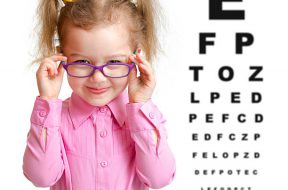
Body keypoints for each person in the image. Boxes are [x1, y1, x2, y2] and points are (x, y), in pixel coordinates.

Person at [22, 0, 176, 189]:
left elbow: (159, 179)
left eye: (114, 61)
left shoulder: (142, 118)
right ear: (61, 56)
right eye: (83, 61)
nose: (98, 77)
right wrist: (47, 100)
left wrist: (140, 105)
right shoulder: (54, 119)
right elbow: (41, 178)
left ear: (136, 57)